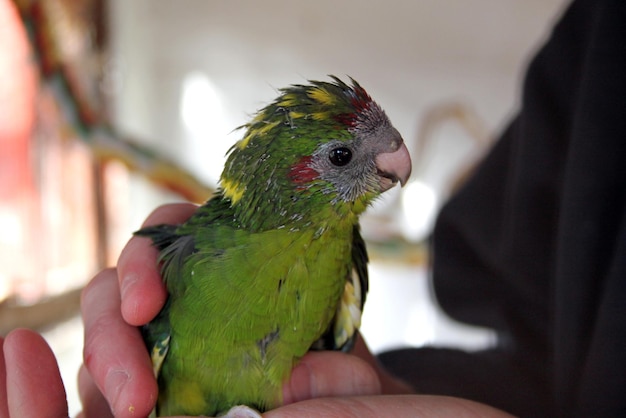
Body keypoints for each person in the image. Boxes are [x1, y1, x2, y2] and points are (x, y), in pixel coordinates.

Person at [3, 0, 626, 416]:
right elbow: (546, 361)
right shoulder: (188, 268)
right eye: (340, 156)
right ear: (293, 181)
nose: (396, 156)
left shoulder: (343, 265)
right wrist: (398, 397)